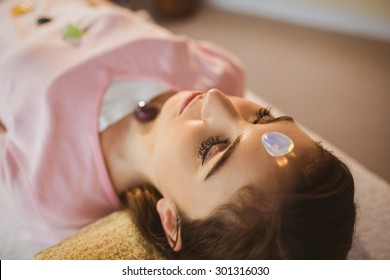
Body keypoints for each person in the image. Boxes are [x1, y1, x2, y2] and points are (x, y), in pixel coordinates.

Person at [0, 0, 356, 259]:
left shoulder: (48, 194)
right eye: (262, 116)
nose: (217, 99)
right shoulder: (220, 71)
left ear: (172, 222)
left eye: (213, 149)